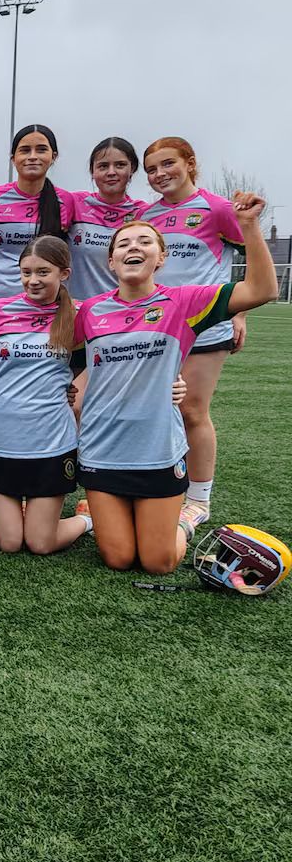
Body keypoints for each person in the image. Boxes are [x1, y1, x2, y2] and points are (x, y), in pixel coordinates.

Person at [74, 199, 275, 574]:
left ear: (161, 258)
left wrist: (248, 226)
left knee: (158, 562)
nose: (134, 247)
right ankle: (103, 513)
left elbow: (262, 289)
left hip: (157, 449)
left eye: (145, 242)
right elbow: (60, 357)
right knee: (117, 559)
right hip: (102, 449)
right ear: (111, 262)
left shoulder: (183, 302)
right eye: (124, 243)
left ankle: (185, 519)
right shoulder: (88, 311)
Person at [140, 137, 247, 533]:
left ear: (190, 163)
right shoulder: (146, 214)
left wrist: (240, 311)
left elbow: (251, 254)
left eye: (167, 164)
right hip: (158, 328)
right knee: (158, 410)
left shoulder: (217, 208)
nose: (159, 174)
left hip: (204, 327)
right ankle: (156, 483)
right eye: (151, 169)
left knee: (192, 411)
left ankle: (199, 499)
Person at [0, 237, 92, 554]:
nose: (33, 280)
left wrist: (74, 389)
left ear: (64, 273)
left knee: (40, 543)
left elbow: (97, 358)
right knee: (10, 543)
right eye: (26, 272)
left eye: (43, 272)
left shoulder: (79, 314)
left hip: (52, 442)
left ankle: (86, 519)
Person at [0, 125, 73, 311]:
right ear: (13, 159)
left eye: (41, 149)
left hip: (41, 310)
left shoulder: (66, 201)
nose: (32, 156)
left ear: (54, 156)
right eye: (25, 150)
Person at [68, 138, 145, 302]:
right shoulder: (74, 203)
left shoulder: (144, 213)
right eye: (103, 166)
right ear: (92, 172)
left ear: (132, 169)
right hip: (76, 312)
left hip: (123, 311)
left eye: (120, 165)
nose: (111, 172)